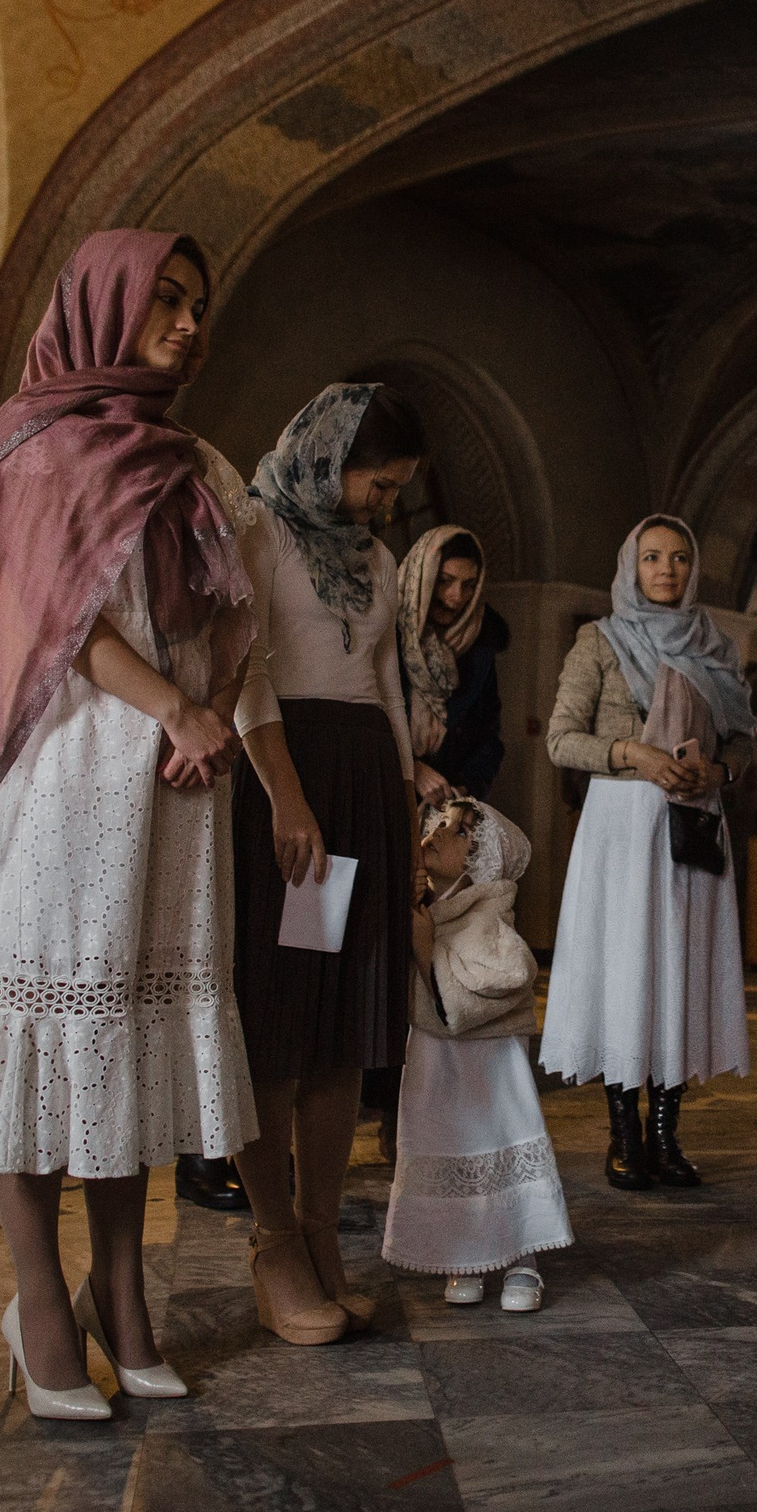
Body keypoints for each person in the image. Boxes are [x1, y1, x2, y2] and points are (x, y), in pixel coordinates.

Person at [0, 229, 254, 1419]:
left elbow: (226, 611)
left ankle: (125, 1296)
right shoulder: (32, 445)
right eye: (164, 299)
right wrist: (177, 707)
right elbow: (44, 617)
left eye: (198, 304)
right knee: (51, 1030)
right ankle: (37, 1299)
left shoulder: (191, 457)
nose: (186, 322)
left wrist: (205, 709)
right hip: (69, 771)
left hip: (175, 780)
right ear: (105, 302)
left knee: (134, 1043)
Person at [228, 382, 425, 1346]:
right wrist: (287, 794)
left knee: (340, 1020)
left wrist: (400, 820)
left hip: (360, 795)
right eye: (377, 484)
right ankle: (271, 1240)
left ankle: (319, 1231)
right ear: (330, 453)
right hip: (288, 785)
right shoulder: (257, 527)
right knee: (281, 1016)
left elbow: (387, 688)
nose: (385, 505)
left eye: (395, 491)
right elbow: (244, 668)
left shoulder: (381, 558)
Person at [541, 515, 757, 1188]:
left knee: (679, 970)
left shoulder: (715, 646)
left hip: (692, 823)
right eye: (653, 557)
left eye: (680, 558)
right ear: (631, 565)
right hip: (621, 828)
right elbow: (559, 739)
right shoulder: (599, 640)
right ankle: (624, 1133)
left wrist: (719, 773)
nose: (667, 569)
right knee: (624, 971)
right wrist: (631, 752)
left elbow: (745, 740)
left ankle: (666, 1133)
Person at [383, 797, 571, 1312]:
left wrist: (427, 953)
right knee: (450, 1139)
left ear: (481, 866)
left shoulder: (489, 920)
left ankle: (522, 1256)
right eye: (438, 822)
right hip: (435, 1061)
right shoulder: (426, 912)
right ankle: (463, 1252)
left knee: (501, 1143)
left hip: (490, 1067)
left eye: (460, 832)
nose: (439, 831)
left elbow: (503, 977)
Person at [398, 526, 508, 806]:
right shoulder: (386, 635)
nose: (456, 597)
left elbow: (488, 738)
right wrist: (411, 769)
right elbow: (366, 721)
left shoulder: (479, 646)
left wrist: (466, 790)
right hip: (385, 790)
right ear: (422, 578)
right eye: (445, 581)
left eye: (469, 585)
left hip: (444, 805)